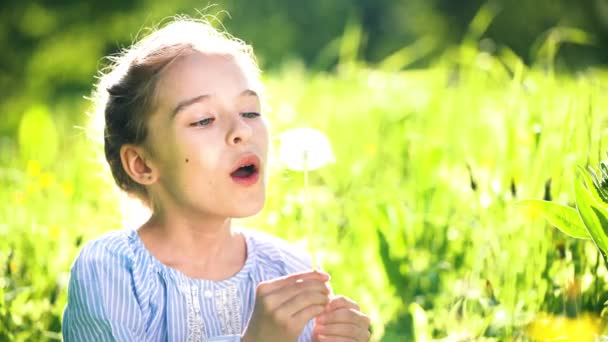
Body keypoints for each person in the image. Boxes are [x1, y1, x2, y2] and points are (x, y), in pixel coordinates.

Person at [62, 16, 371, 342]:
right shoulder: (112, 269)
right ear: (141, 163)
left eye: (250, 112)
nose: (241, 131)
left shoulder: (290, 268)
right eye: (203, 119)